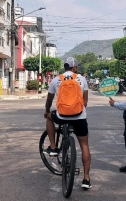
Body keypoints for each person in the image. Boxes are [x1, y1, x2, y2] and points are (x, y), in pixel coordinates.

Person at [44, 57, 92, 189]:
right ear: (75, 67)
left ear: (65, 67)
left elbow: (49, 100)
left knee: (49, 117)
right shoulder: (82, 79)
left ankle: (53, 147)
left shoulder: (56, 79)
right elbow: (85, 102)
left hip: (62, 116)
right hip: (79, 117)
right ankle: (86, 179)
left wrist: (47, 111)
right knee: (84, 145)